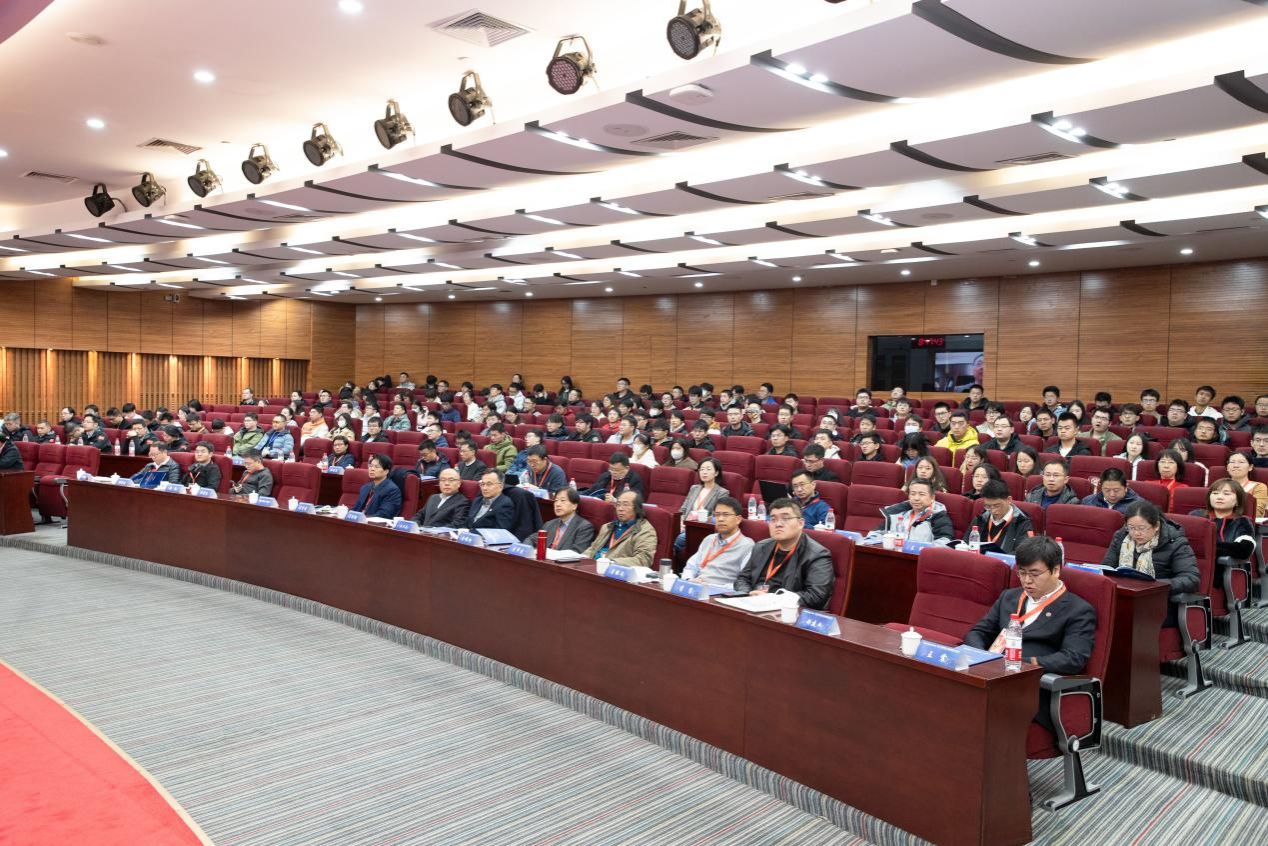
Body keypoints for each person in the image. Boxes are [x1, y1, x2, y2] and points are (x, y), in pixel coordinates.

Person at [964, 536, 1096, 732]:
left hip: (1030, 688)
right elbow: (978, 632)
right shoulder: (1009, 597)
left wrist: (1022, 663)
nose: (1027, 581)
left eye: (1034, 574)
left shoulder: (1078, 610)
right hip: (991, 675)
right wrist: (984, 658)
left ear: (1056, 570)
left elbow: (1073, 658)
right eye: (1022, 573)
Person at [733, 497, 834, 609]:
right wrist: (748, 594)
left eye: (785, 519)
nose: (778, 524)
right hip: (752, 605)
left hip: (787, 612)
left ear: (800, 523)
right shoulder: (761, 546)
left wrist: (772, 599)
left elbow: (816, 596)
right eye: (773, 519)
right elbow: (742, 579)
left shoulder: (817, 555)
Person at [1101, 501, 1199, 615]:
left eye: (1142, 528)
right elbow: (1106, 568)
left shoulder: (1175, 543)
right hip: (1123, 596)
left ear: (1156, 526)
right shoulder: (1121, 537)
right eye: (1131, 528)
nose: (1136, 533)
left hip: (1158, 603)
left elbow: (1191, 579)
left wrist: (1154, 586)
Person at [681, 496, 755, 588]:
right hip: (697, 587)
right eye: (717, 515)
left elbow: (744, 583)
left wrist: (712, 587)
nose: (720, 519)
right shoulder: (709, 539)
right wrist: (689, 580)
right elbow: (690, 567)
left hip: (721, 592)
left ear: (738, 519)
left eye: (725, 515)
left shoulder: (747, 546)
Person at [583, 491, 658, 569]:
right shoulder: (607, 527)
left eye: (625, 505)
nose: (620, 509)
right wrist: (581, 559)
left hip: (615, 571)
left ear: (636, 508)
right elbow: (592, 549)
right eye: (618, 505)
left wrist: (611, 563)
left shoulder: (645, 531)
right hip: (593, 567)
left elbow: (643, 560)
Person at [1189, 479, 1258, 560]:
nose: (1219, 497)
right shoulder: (1196, 515)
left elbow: (1245, 549)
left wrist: (1209, 547)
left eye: (1226, 494)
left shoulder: (1242, 521)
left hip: (1223, 566)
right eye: (1215, 493)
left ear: (1237, 501)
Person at [965, 479, 1033, 554]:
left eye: (997, 506)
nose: (993, 511)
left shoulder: (1022, 523)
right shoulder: (980, 519)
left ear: (1009, 500)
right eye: (988, 506)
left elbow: (1024, 553)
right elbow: (966, 544)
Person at [881, 478, 954, 542]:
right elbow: (876, 534)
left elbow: (945, 541)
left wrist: (921, 548)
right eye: (913, 494)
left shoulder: (938, 516)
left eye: (921, 494)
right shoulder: (896, 513)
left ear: (932, 498)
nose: (916, 498)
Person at [530, 487, 595, 553]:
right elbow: (531, 539)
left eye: (563, 500)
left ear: (574, 506)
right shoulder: (549, 524)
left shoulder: (584, 527)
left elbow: (577, 551)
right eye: (556, 501)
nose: (558, 504)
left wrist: (551, 554)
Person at [1225, 452, 1267, 518]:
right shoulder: (1219, 486)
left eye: (1241, 462)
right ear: (1227, 467)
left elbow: (1256, 513)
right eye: (1232, 462)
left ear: (1250, 467)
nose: (1236, 465)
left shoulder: (1258, 487)